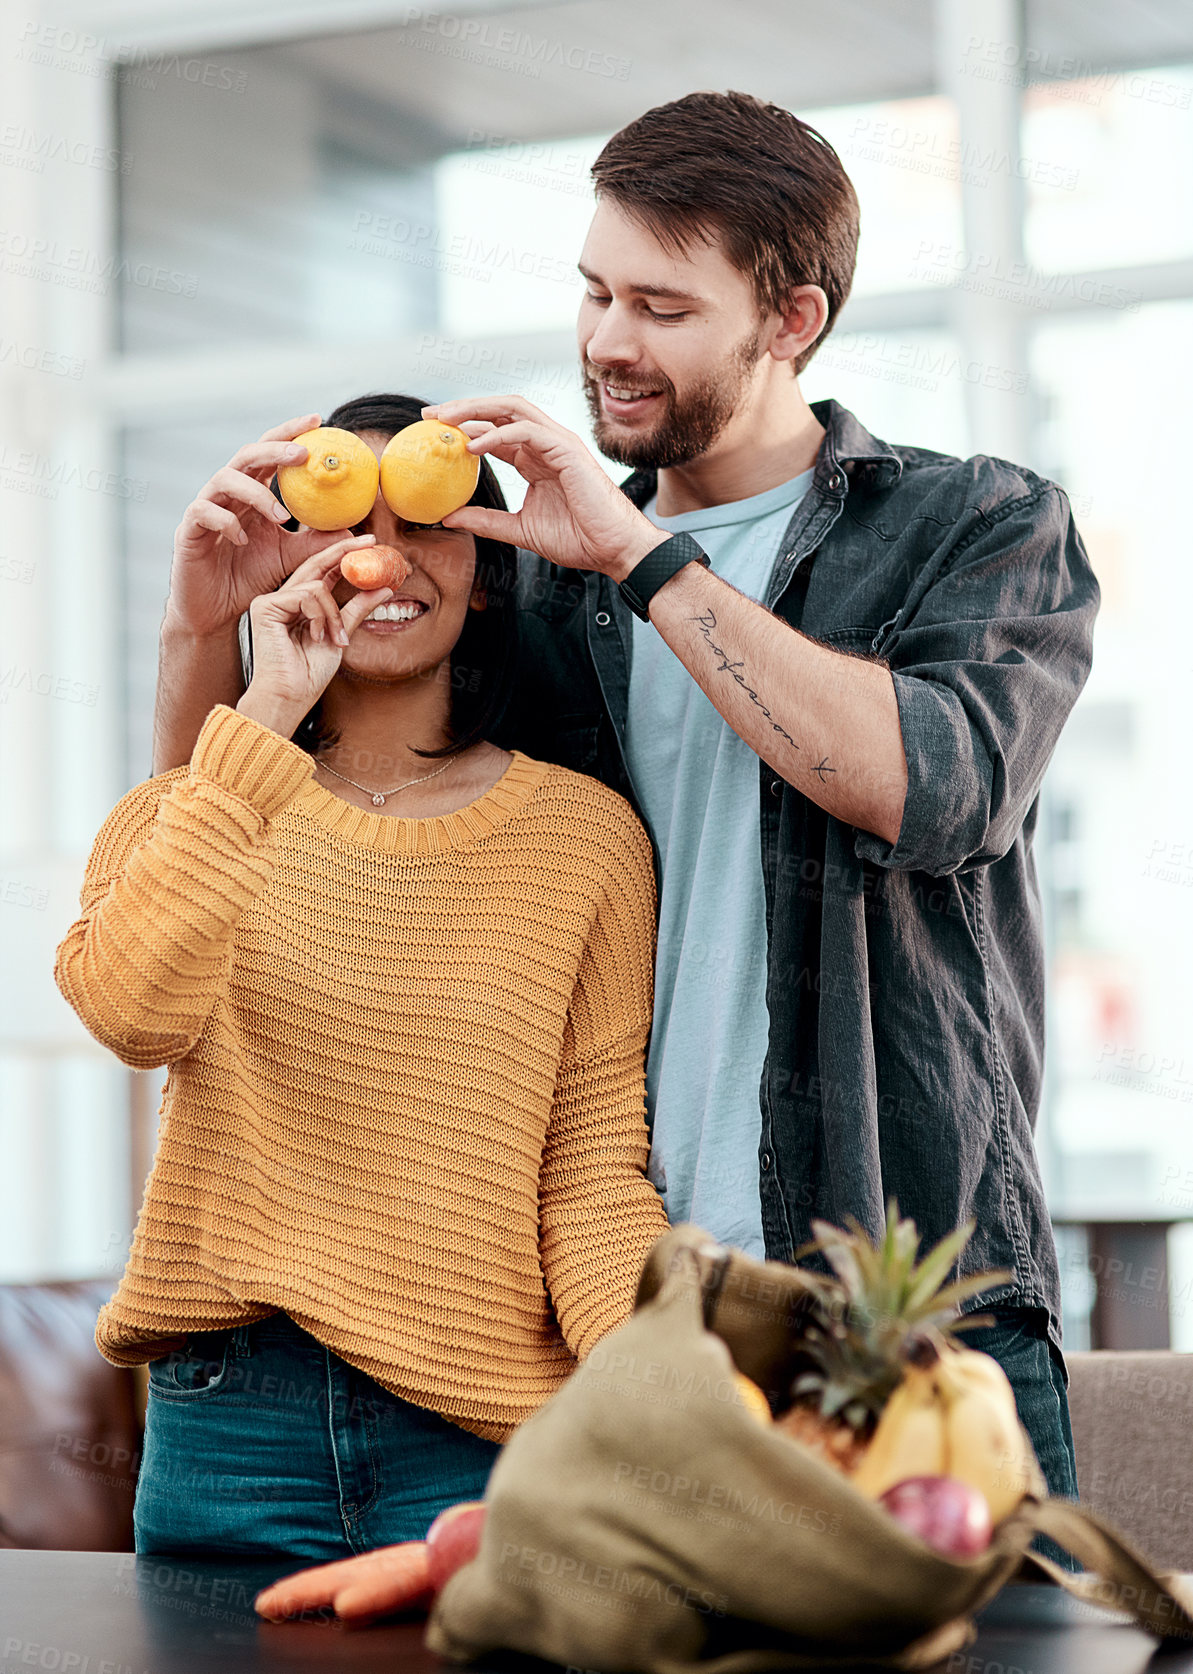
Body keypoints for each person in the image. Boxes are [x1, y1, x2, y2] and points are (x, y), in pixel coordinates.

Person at [154, 93, 1099, 1610]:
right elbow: (264, 825)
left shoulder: (972, 527)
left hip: (896, 1315)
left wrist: (643, 557)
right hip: (614, 1319)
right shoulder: (535, 584)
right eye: (595, 292)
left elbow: (929, 786)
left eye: (663, 307)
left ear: (791, 319)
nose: (607, 340)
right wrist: (205, 622)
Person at [54, 390, 669, 1560]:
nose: (380, 556)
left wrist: (663, 1379)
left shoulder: (583, 842)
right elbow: (132, 1014)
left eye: (427, 521)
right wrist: (266, 698)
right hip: (230, 1425)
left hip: (477, 1442)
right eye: (341, 519)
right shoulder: (207, 803)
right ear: (287, 551)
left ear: (488, 570)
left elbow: (588, 1176)